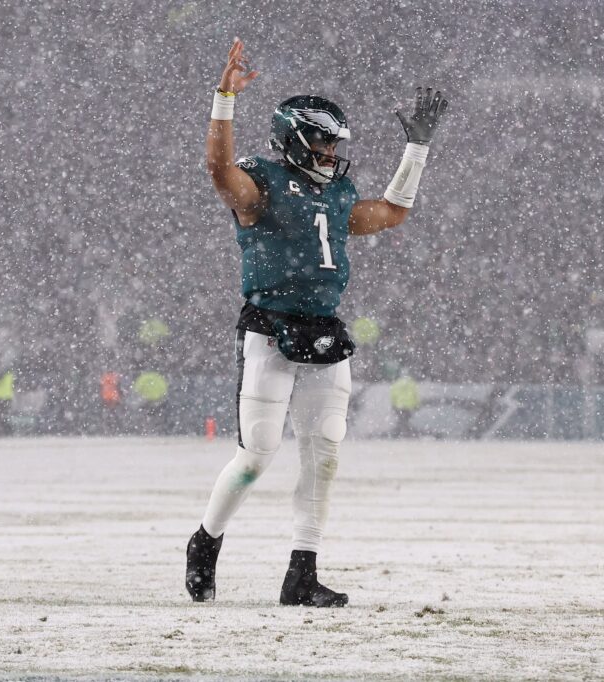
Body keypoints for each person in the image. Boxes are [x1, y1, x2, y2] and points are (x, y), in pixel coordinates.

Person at [186, 38, 448, 607]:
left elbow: (393, 212)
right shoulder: (262, 183)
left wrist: (417, 149)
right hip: (269, 326)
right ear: (297, 138)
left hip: (324, 328)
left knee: (325, 452)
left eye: (335, 141)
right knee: (257, 454)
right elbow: (218, 169)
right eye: (325, 139)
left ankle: (301, 573)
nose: (332, 150)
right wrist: (224, 98)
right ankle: (205, 542)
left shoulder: (337, 195)